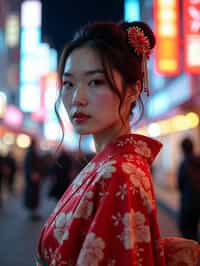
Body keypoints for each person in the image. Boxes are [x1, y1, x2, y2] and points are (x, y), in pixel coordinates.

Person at [36, 21, 199, 266]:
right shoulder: (111, 165)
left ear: (133, 90)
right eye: (69, 83)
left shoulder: (120, 172)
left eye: (95, 82)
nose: (77, 99)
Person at [177, 137, 200, 242]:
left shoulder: (184, 164)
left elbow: (180, 185)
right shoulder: (198, 160)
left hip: (188, 203)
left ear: (183, 149)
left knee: (187, 232)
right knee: (195, 229)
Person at [23, 138, 42, 221]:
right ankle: (32, 213)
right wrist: (33, 174)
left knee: (34, 194)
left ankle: (33, 212)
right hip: (32, 178)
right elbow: (30, 166)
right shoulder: (31, 153)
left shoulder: (31, 152)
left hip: (32, 178)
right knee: (32, 194)